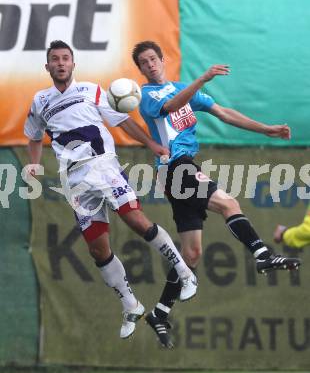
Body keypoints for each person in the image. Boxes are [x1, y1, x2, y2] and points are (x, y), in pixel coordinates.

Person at [24, 40, 198, 341]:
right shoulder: (40, 101)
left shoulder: (91, 90)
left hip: (102, 165)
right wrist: (34, 165)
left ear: (73, 64)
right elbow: (34, 136)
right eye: (55, 59)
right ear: (48, 66)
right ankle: (130, 305)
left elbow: (123, 121)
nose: (61, 63)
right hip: (74, 180)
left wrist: (153, 145)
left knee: (135, 220)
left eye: (66, 58)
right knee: (97, 248)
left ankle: (184, 271)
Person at [131, 40, 301, 348]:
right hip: (175, 166)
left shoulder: (183, 88)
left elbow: (223, 112)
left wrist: (266, 130)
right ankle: (262, 255)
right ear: (140, 69)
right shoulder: (146, 96)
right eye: (144, 62)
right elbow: (169, 107)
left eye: (154, 58)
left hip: (181, 168)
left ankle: (160, 312)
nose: (151, 64)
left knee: (192, 254)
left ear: (162, 59)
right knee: (228, 202)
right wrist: (203, 78)